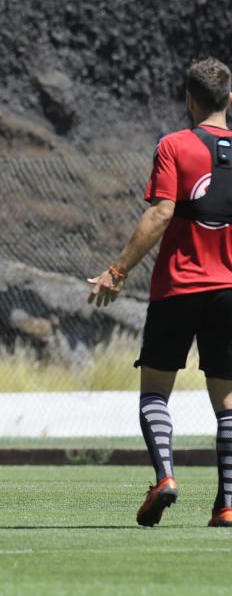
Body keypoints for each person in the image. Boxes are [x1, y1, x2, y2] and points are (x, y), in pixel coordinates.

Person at [88, 57, 232, 528]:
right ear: (229, 99)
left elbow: (160, 214)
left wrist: (117, 269)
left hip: (178, 286)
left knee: (154, 391)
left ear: (190, 100)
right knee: (227, 402)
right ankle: (228, 504)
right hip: (229, 290)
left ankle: (165, 477)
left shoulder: (174, 145)